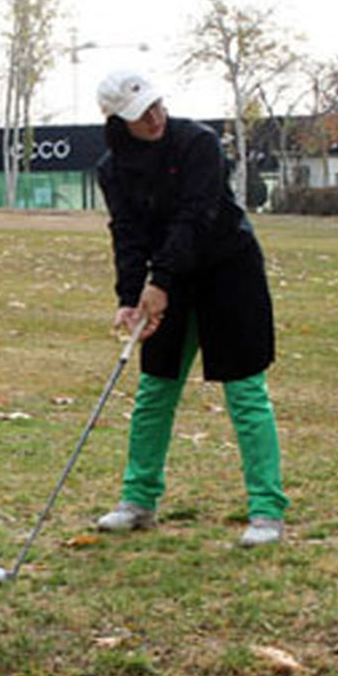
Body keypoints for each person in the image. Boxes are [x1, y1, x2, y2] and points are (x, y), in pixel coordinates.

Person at [91, 70, 289, 547]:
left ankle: (266, 511)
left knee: (245, 393)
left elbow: (195, 217)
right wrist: (128, 296)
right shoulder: (112, 168)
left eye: (158, 105)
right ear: (118, 120)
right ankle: (138, 501)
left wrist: (159, 283)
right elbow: (129, 232)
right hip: (170, 277)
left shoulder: (197, 143)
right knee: (155, 391)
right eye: (142, 114)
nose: (156, 117)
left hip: (229, 271)